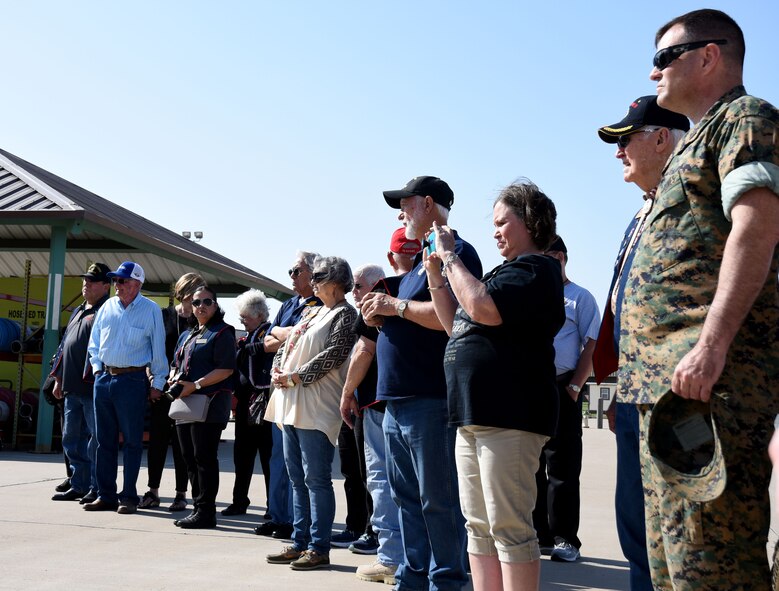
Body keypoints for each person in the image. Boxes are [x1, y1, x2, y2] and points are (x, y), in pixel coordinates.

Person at [619, 9, 778, 588]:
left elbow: (756, 226)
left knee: (712, 566)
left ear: (709, 56)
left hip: (711, 388)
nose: (654, 69)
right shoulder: (691, 148)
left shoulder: (745, 118)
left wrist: (711, 347)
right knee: (672, 566)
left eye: (665, 57)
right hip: (667, 393)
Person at [425, 180, 563, 591]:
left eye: (503, 222)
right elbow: (457, 326)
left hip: (510, 416)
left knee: (508, 527)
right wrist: (437, 275)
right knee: (479, 525)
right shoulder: (505, 273)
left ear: (530, 222)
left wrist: (449, 256)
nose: (495, 230)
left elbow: (483, 308)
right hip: (476, 415)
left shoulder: (536, 269)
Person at [361, 176, 482, 591]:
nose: (401, 212)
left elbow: (453, 319)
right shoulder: (420, 262)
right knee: (408, 501)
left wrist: (394, 306)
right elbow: (414, 311)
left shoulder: (457, 253)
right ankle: (413, 579)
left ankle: (445, 581)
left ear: (429, 204)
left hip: (430, 399)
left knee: (438, 503)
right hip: (397, 403)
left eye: (406, 204)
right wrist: (384, 312)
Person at [594, 94, 690, 591]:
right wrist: (610, 390)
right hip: (632, 393)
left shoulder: (695, 207)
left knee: (682, 538)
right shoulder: (640, 215)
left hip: (677, 400)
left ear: (660, 139)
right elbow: (621, 309)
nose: (618, 152)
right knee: (635, 525)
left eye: (624, 139)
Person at [264, 256, 358, 571]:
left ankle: (319, 547)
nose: (312, 281)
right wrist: (278, 370)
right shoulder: (313, 310)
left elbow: (333, 355)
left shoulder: (346, 314)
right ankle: (299, 541)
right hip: (290, 402)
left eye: (317, 276)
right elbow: (286, 343)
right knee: (296, 478)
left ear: (335, 281)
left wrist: (295, 376)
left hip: (316, 404)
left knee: (316, 478)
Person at [340, 234, 420, 585]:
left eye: (358, 286)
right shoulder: (438, 284)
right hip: (425, 401)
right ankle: (422, 560)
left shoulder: (387, 290)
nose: (356, 292)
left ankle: (391, 559)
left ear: (391, 256)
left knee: (384, 481)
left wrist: (347, 392)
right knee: (423, 486)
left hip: (381, 402)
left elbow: (364, 350)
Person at [533, 236, 600, 562]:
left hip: (564, 387)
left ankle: (565, 539)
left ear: (559, 257)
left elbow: (591, 345)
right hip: (531, 387)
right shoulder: (531, 293)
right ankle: (539, 535)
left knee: (562, 468)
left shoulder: (580, 298)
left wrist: (575, 387)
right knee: (531, 467)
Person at [84, 261, 167, 514]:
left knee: (132, 442)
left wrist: (159, 383)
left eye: (121, 281)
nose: (116, 285)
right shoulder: (107, 306)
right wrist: (98, 370)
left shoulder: (151, 310)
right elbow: (94, 342)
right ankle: (105, 494)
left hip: (132, 380)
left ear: (136, 284)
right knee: (103, 441)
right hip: (104, 379)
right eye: (116, 280)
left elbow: (158, 348)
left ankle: (128, 497)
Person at [255, 251, 322, 539]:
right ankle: (278, 515)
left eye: (296, 271)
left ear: (313, 272)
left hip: (304, 391)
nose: (292, 277)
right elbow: (266, 342)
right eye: (291, 271)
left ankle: (299, 522)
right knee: (277, 458)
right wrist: (291, 332)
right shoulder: (287, 305)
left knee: (302, 463)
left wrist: (286, 333)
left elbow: (311, 340)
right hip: (279, 389)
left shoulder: (322, 304)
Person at [170, 286, 237, 529]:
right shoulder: (187, 335)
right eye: (197, 302)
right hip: (185, 404)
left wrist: (195, 385)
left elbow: (226, 369)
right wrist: (173, 378)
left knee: (204, 458)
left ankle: (206, 511)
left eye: (207, 301)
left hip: (210, 404)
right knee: (189, 457)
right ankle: (198, 507)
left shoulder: (222, 333)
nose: (202, 306)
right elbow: (176, 363)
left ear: (216, 305)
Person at [139, 272, 205, 512]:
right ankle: (153, 491)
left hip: (186, 392)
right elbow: (150, 350)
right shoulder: (163, 315)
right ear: (184, 292)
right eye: (195, 293)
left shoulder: (200, 321)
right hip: (162, 388)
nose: (198, 300)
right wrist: (151, 379)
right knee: (157, 441)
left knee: (182, 445)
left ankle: (181, 494)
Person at [50, 262, 111, 504]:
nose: (86, 284)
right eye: (85, 279)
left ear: (106, 287)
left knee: (95, 440)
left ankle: (96, 488)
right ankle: (78, 484)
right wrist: (58, 376)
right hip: (71, 386)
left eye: (92, 281)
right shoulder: (79, 309)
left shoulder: (107, 311)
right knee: (70, 438)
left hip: (92, 387)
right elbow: (65, 344)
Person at [222, 289, 275, 518]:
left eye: (246, 316)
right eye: (241, 316)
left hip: (264, 401)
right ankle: (239, 501)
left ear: (260, 315)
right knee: (241, 456)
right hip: (245, 403)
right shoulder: (248, 337)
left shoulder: (270, 333)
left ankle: (273, 506)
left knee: (267, 457)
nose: (242, 320)